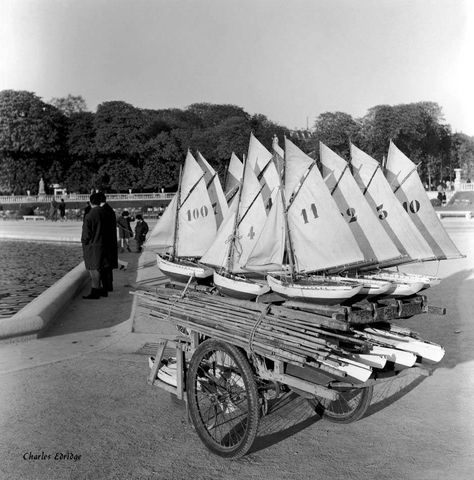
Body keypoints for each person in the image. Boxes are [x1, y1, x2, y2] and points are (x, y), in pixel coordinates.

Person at [81, 193, 109, 299]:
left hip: (93, 246)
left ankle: (95, 291)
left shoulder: (90, 215)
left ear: (91, 202)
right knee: (100, 267)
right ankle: (101, 289)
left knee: (93, 268)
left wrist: (84, 242)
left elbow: (86, 234)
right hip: (103, 243)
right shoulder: (105, 213)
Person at [96, 192, 118, 292]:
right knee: (107, 267)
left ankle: (106, 287)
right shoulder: (109, 209)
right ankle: (108, 286)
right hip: (110, 241)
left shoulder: (104, 211)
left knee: (105, 266)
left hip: (106, 243)